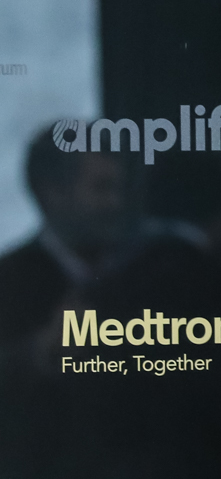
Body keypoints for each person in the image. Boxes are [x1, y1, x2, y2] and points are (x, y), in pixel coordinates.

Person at [0, 126, 132, 344]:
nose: (116, 203)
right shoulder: (8, 284)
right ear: (52, 193)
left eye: (118, 188)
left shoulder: (149, 268)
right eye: (101, 188)